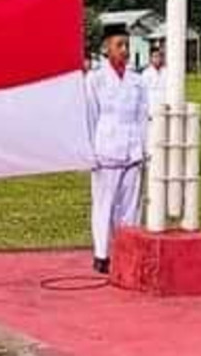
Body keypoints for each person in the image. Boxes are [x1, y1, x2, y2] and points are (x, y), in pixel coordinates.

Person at [85, 22, 148, 275]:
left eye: (127, 45)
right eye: (119, 45)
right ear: (106, 48)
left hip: (132, 149)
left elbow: (144, 116)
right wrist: (89, 152)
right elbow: (90, 116)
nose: (124, 50)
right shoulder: (96, 79)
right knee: (104, 204)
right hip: (106, 149)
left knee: (130, 207)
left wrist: (144, 148)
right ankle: (102, 254)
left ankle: (127, 251)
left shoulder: (137, 80)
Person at [142, 42, 167, 110]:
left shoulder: (166, 71)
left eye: (159, 56)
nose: (158, 59)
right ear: (151, 58)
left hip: (164, 104)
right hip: (152, 105)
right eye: (155, 56)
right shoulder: (146, 73)